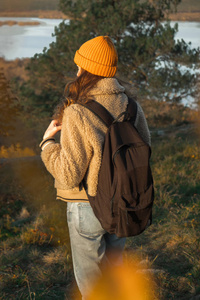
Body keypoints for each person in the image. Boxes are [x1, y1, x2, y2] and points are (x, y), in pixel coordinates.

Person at [39, 36, 151, 299]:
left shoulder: (78, 112)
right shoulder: (133, 108)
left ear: (89, 71)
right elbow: (144, 151)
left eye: (80, 66)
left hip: (86, 205)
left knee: (92, 285)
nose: (76, 71)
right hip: (124, 200)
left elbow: (69, 174)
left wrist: (47, 144)